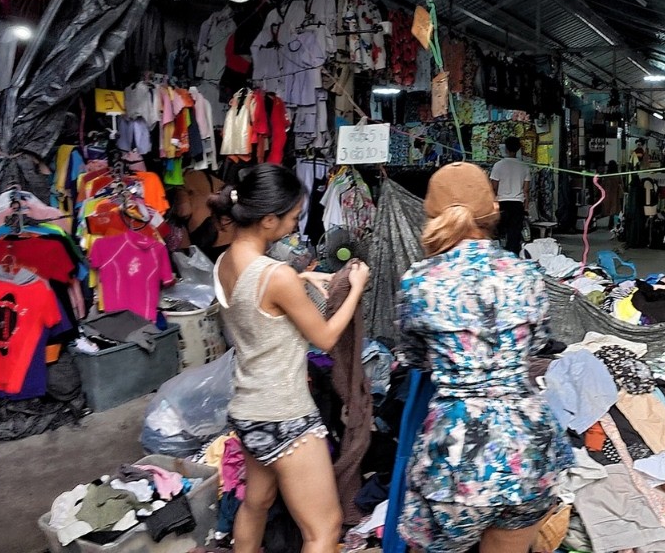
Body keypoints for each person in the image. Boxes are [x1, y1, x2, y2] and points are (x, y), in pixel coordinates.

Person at [395, 162, 573, 553]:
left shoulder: (420, 281)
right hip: (530, 450)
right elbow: (537, 343)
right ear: (492, 212)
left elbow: (416, 357)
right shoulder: (527, 274)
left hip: (457, 459)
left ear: (432, 214)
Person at [209, 164, 370, 553]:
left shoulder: (225, 261)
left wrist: (302, 280)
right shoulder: (276, 275)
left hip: (247, 409)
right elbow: (327, 336)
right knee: (324, 528)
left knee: (256, 503)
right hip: (287, 415)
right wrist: (355, 289)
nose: (297, 226)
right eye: (294, 218)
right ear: (268, 220)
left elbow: (255, 296)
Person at [490, 136, 530, 254]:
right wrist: (526, 206)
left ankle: (498, 256)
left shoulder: (498, 165)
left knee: (498, 232)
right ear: (518, 149)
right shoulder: (524, 166)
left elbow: (493, 188)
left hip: (502, 203)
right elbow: (526, 190)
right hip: (517, 204)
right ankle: (513, 257)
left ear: (506, 149)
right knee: (514, 235)